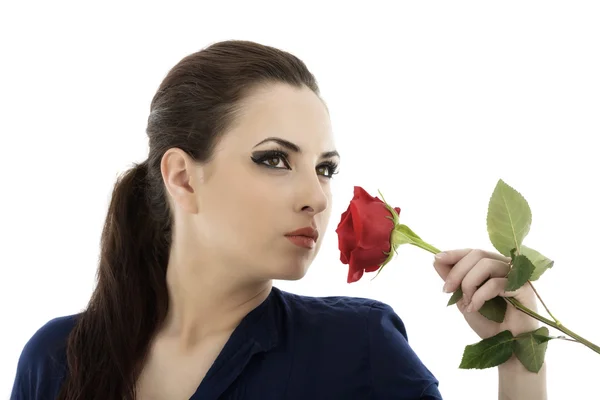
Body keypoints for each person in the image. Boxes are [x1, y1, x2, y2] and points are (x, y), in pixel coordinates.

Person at [10, 40, 547, 400]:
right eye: (275, 159)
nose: (316, 195)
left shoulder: (358, 349)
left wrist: (521, 356)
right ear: (182, 177)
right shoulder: (56, 360)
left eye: (326, 168)